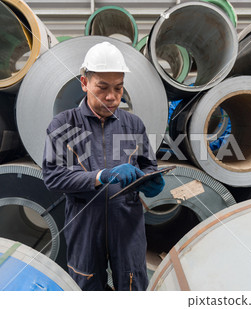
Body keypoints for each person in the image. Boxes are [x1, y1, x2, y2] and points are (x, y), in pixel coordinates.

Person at [42, 41, 165, 291]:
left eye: (119, 88)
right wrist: (101, 176)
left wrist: (151, 180)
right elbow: (54, 177)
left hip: (127, 222)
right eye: (103, 88)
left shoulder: (133, 125)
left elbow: (147, 164)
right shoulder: (64, 125)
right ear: (84, 83)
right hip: (85, 221)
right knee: (86, 285)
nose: (112, 96)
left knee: (133, 284)